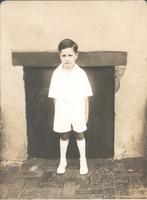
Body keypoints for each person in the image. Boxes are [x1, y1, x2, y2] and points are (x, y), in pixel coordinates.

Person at [48, 39, 93, 175]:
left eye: (70, 55)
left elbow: (86, 96)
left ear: (76, 56)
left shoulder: (81, 74)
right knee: (64, 134)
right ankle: (63, 160)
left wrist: (86, 114)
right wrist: (58, 113)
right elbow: (55, 96)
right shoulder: (56, 73)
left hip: (77, 108)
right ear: (59, 56)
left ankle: (83, 161)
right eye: (63, 56)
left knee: (79, 133)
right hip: (62, 109)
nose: (67, 59)